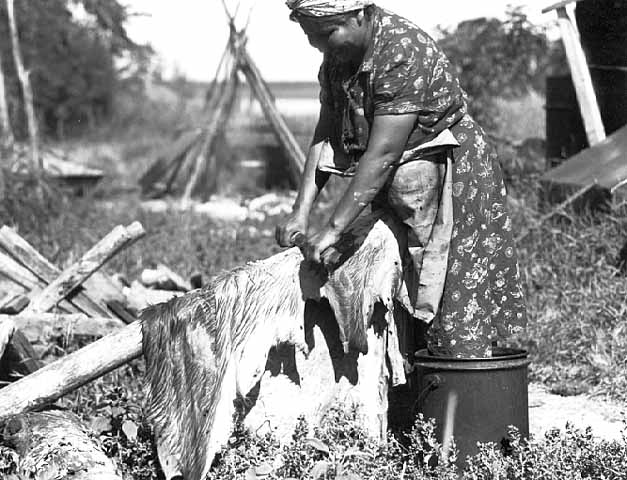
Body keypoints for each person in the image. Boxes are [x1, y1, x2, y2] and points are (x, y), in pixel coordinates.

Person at [275, 0, 526, 358]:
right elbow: (325, 134)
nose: (318, 46)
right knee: (390, 280)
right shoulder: (337, 59)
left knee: (445, 289)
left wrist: (333, 228)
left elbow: (383, 154)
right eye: (310, 37)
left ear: (358, 15)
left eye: (327, 33)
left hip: (448, 173)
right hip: (396, 180)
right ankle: (409, 393)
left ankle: (457, 393)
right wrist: (300, 212)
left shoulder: (400, 50)